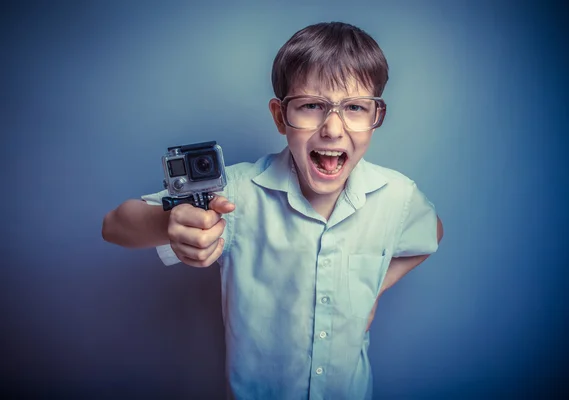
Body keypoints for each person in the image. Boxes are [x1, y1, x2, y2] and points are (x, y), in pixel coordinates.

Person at [102, 21, 443, 400]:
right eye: (311, 105)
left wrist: (373, 289)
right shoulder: (235, 195)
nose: (333, 128)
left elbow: (432, 235)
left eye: (355, 107)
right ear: (280, 116)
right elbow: (114, 225)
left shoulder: (397, 196)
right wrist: (167, 223)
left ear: (375, 116)